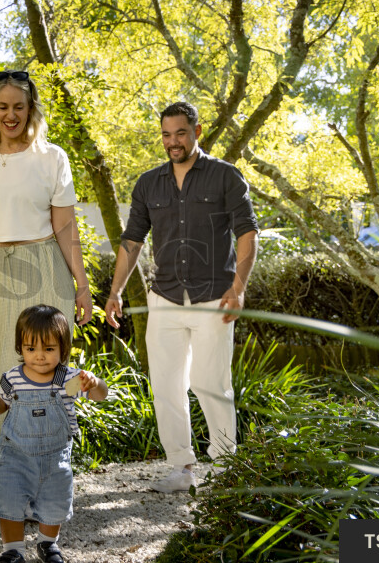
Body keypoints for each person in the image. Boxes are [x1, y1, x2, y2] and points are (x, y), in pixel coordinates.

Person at [104, 101, 258, 492]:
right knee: (166, 386)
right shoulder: (148, 184)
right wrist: (116, 291)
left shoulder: (226, 177)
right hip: (165, 298)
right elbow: (132, 241)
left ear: (197, 131)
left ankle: (224, 469)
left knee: (211, 383)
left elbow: (247, 234)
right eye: (166, 135)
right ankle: (180, 469)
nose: (173, 142)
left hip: (213, 298)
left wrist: (238, 289)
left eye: (181, 133)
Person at [0, 70, 93, 497]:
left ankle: (47, 479)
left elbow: (66, 227)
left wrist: (83, 286)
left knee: (45, 369)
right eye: (3, 107)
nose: (11, 115)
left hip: (44, 264)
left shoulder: (52, 157)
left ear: (31, 109)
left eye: (19, 106)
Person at [0, 305, 108, 563]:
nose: (39, 356)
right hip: (16, 454)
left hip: (54, 456)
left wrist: (95, 383)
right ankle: (12, 549)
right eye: (30, 348)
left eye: (48, 349)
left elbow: (99, 396)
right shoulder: (11, 378)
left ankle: (48, 544)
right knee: (10, 501)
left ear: (63, 348)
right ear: (20, 347)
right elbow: (2, 402)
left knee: (55, 501)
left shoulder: (66, 379)